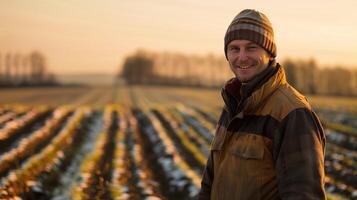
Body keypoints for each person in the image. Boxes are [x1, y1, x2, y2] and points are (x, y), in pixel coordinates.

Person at [198, 9, 326, 200]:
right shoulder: (233, 104)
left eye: (251, 48)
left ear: (270, 53)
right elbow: (210, 182)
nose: (242, 57)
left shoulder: (292, 112)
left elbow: (304, 195)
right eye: (234, 48)